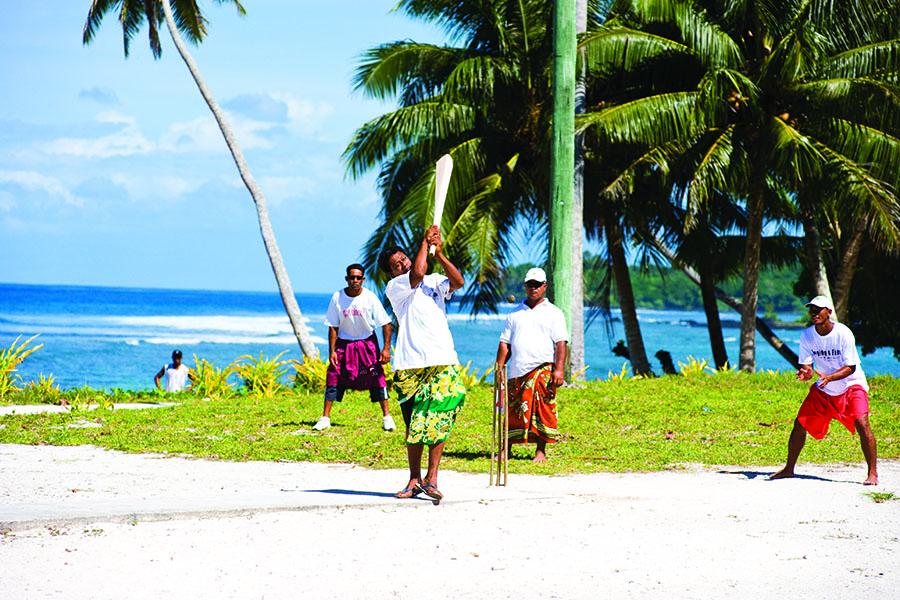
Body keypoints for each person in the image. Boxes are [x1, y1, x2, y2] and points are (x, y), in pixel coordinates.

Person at [379, 225, 466, 501]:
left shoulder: (434, 280)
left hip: (442, 359)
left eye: (403, 258)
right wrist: (423, 243)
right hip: (410, 364)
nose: (402, 263)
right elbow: (416, 274)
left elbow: (459, 282)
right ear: (391, 273)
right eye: (396, 264)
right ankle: (414, 478)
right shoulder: (396, 287)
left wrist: (438, 254)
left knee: (440, 418)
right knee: (415, 423)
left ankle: (432, 478)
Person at [771, 295, 878, 485]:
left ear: (828, 312)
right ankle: (789, 469)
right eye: (811, 309)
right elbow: (807, 367)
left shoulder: (843, 333)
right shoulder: (807, 336)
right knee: (800, 423)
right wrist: (805, 374)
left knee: (862, 423)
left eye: (818, 309)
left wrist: (829, 377)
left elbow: (850, 367)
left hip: (852, 384)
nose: (814, 313)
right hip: (825, 388)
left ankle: (872, 473)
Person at [496, 267, 568, 462]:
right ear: (525, 286)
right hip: (517, 371)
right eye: (530, 284)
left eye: (537, 285)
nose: (533, 288)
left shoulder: (554, 313)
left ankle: (540, 452)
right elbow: (505, 343)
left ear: (544, 286)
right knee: (512, 411)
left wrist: (559, 370)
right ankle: (505, 450)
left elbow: (561, 343)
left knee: (543, 410)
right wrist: (498, 367)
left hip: (543, 369)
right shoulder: (514, 314)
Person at [313, 263, 395, 432]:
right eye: (352, 277)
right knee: (333, 375)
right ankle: (325, 418)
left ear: (363, 279)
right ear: (347, 279)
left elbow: (386, 323)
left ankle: (387, 417)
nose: (355, 280)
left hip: (367, 344)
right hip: (344, 344)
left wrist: (386, 349)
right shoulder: (337, 297)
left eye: (358, 277)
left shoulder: (370, 297)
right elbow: (333, 326)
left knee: (378, 377)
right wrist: (332, 351)